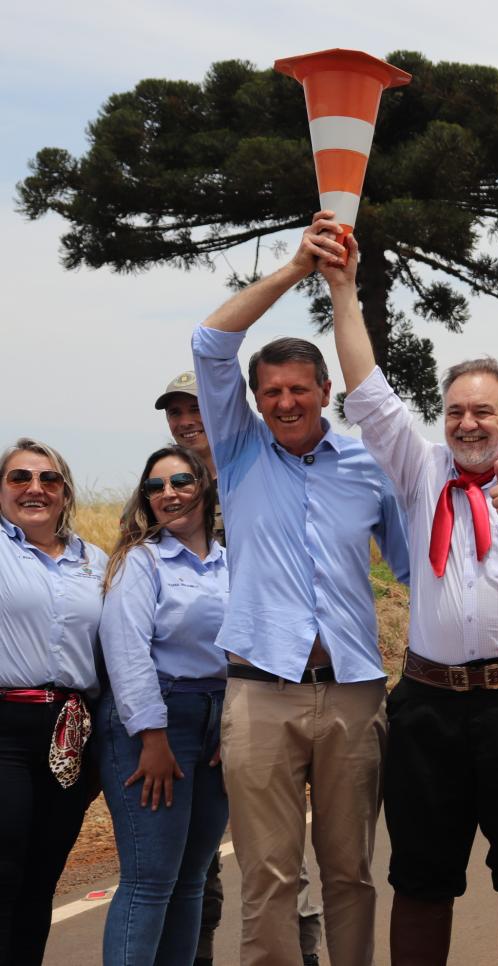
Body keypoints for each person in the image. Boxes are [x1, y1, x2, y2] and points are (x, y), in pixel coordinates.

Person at [327, 227, 498, 966]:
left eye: (484, 412)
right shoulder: (420, 472)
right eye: (456, 411)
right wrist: (344, 291)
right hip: (429, 705)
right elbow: (369, 396)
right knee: (420, 876)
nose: (468, 423)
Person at [190, 212, 410, 966]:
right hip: (260, 693)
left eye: (300, 389)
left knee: (350, 872)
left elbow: (416, 567)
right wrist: (296, 269)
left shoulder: (368, 467)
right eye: (271, 391)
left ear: (326, 390)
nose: (286, 402)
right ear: (254, 401)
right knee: (270, 875)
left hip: (352, 692)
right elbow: (208, 343)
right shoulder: (241, 450)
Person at [152, 372, 324, 966]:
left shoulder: (263, 475)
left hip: (264, 694)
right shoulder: (165, 492)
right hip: (188, 702)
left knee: (277, 854)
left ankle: (301, 955)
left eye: (193, 408)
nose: (184, 421)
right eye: (174, 413)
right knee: (196, 859)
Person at [96, 446, 230, 965]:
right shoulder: (140, 561)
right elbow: (125, 649)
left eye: (180, 481)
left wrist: (233, 720)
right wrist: (151, 736)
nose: (169, 494)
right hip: (157, 719)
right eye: (156, 487)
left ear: (204, 486)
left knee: (192, 878)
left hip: (216, 722)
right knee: (150, 880)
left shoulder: (226, 563)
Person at [0, 437, 107, 964]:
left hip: (70, 731)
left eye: (49, 479)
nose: (34, 489)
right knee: (5, 866)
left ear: (65, 493)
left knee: (43, 873)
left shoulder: (98, 561)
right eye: (19, 477)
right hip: (5, 725)